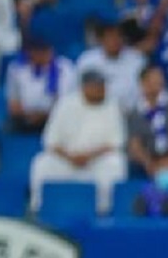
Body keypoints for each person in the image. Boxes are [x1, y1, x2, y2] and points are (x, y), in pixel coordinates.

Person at [28, 68, 127, 214]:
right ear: (85, 87)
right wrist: (70, 157)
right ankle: (38, 207)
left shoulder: (112, 106)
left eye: (103, 86)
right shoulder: (66, 104)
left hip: (95, 162)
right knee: (41, 163)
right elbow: (50, 141)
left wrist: (89, 156)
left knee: (115, 163)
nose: (102, 89)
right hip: (67, 161)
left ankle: (104, 209)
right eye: (98, 86)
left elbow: (116, 143)